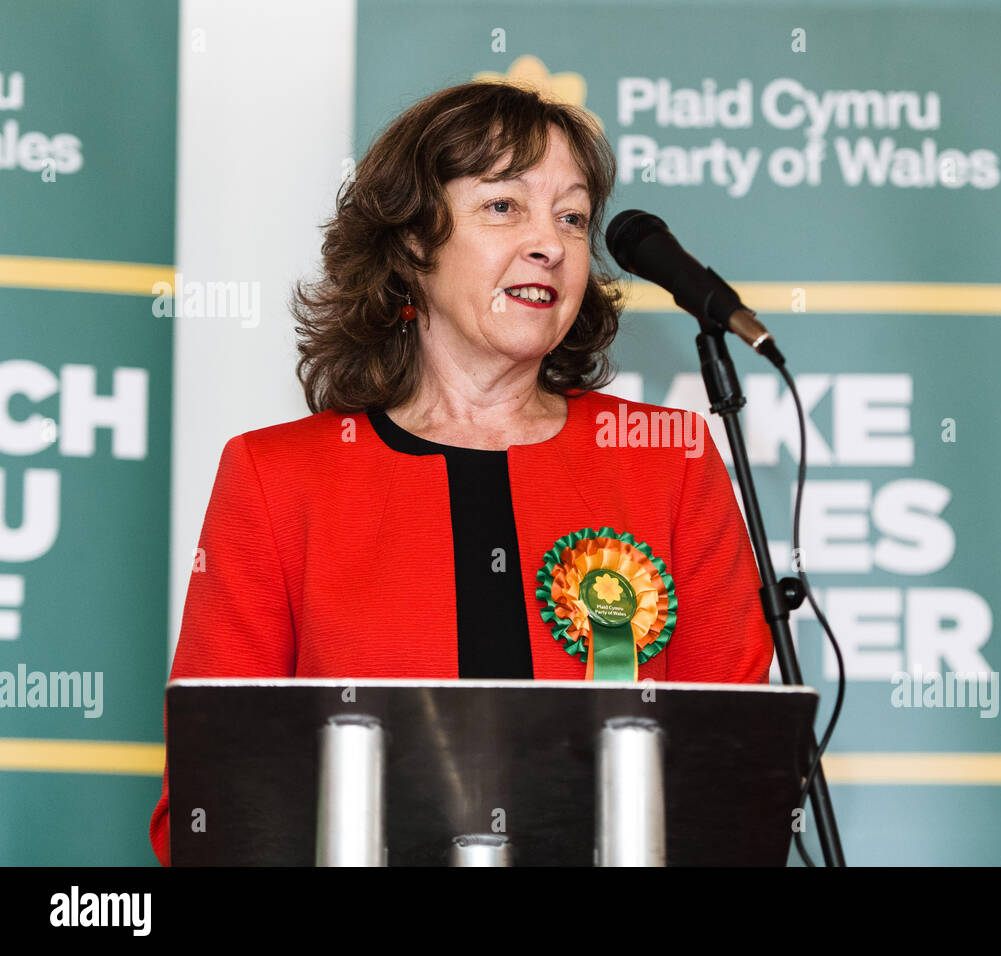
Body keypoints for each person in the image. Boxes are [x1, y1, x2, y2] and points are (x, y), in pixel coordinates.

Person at [149, 80, 774, 866]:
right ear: (413, 243)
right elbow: (206, 812)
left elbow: (737, 789)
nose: (551, 242)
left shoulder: (668, 459)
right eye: (505, 206)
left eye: (573, 217)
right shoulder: (277, 477)